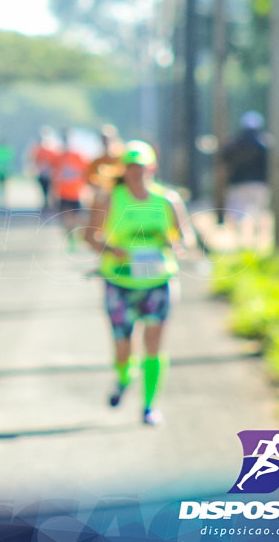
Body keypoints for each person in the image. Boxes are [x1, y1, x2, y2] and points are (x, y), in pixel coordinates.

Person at [83, 140, 196, 427]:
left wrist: (176, 245)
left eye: (141, 167)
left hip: (158, 280)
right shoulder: (109, 199)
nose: (136, 173)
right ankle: (124, 376)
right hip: (120, 280)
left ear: (152, 168)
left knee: (154, 344)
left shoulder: (167, 200)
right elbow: (89, 236)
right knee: (123, 347)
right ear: (124, 170)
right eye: (131, 167)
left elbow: (186, 237)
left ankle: (149, 406)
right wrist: (111, 250)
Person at [221, 111, 269, 248]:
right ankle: (255, 244)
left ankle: (240, 242)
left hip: (238, 184)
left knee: (237, 215)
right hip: (258, 184)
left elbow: (224, 162)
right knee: (258, 214)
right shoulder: (264, 144)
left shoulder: (233, 143)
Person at [51, 130, 89, 250]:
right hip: (63, 193)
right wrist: (53, 192)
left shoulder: (77, 156)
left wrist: (85, 188)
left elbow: (86, 172)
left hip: (76, 193)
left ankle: (80, 239)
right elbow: (54, 175)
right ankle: (71, 240)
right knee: (67, 219)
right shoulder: (58, 157)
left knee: (80, 219)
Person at [85, 124, 124, 201]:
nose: (105, 141)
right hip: (105, 198)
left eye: (107, 139)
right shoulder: (97, 161)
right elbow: (91, 180)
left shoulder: (122, 158)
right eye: (103, 139)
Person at [28, 127, 60, 214]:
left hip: (50, 174)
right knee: (45, 192)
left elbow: (55, 163)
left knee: (51, 191)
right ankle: (46, 205)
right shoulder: (38, 151)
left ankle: (51, 206)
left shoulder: (52, 151)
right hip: (42, 174)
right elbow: (35, 161)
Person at [0, 138, 16, 209]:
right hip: (4, 172)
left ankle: (0, 201)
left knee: (0, 187)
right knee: (3, 187)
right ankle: (2, 201)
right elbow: (10, 160)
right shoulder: (6, 151)